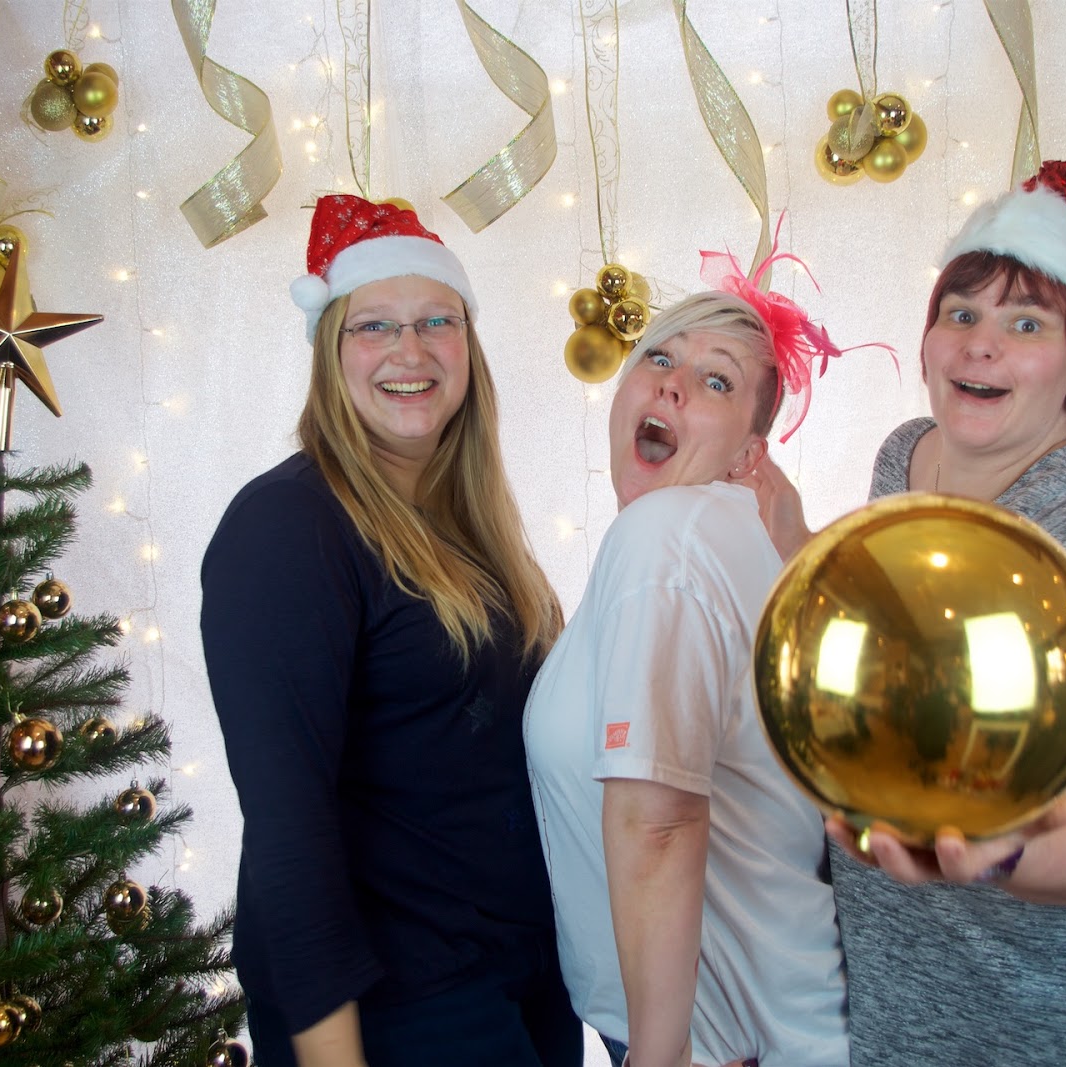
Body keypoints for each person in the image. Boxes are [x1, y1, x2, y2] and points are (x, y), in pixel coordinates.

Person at [744, 160, 1066, 1065]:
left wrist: (1000, 849)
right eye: (961, 315)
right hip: (914, 1004)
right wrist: (795, 535)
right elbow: (904, 631)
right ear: (927, 343)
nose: (981, 345)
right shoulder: (907, 457)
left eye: (1026, 324)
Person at [201, 194, 580, 1067]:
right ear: (331, 353)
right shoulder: (288, 527)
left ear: (468, 345)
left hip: (520, 976)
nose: (411, 351)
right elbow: (288, 825)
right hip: (401, 1006)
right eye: (375, 325)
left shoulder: (469, 525)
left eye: (437, 320)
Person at [526, 243, 866, 1067]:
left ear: (751, 453)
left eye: (716, 381)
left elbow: (661, 820)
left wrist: (656, 1057)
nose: (672, 384)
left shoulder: (666, 540)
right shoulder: (715, 540)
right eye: (659, 358)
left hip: (720, 1045)